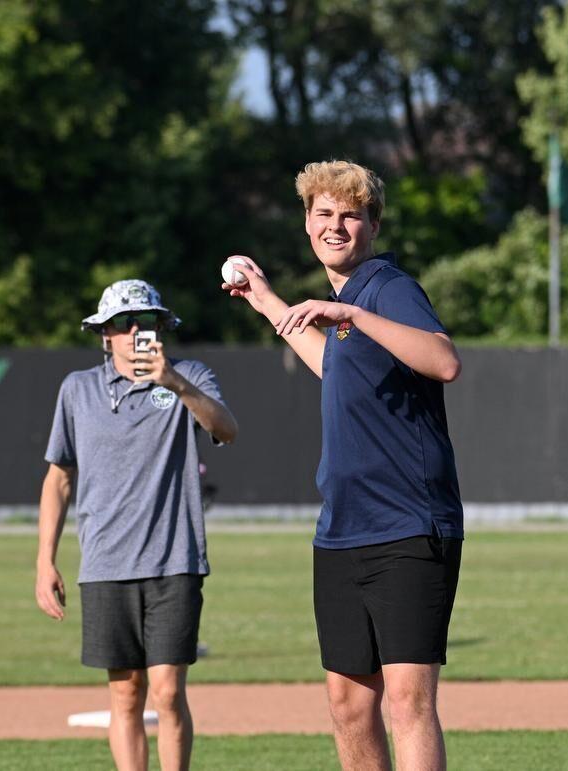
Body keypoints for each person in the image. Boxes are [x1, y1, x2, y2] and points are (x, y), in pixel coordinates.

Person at [222, 160, 464, 770]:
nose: (336, 226)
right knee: (348, 705)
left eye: (350, 214)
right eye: (324, 214)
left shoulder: (385, 288)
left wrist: (352, 316)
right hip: (342, 530)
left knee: (407, 704)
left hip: (409, 525)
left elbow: (443, 360)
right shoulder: (344, 302)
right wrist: (265, 300)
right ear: (307, 223)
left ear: (372, 224)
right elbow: (336, 367)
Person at [35, 279, 238, 771]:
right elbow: (59, 476)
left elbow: (226, 429)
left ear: (160, 326)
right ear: (104, 334)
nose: (133, 333)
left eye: (143, 322)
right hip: (106, 563)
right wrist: (45, 560)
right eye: (122, 325)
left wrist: (176, 384)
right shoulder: (77, 389)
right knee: (126, 695)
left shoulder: (188, 374)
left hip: (175, 561)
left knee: (168, 693)